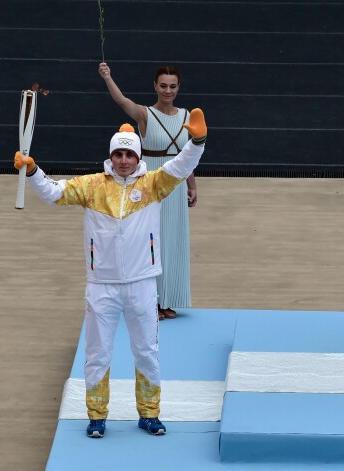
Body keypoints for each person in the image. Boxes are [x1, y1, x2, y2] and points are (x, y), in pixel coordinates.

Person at [13, 110, 207, 438]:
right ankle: (97, 417)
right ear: (111, 156)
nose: (124, 160)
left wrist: (197, 142)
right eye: (118, 154)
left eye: (130, 154)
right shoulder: (91, 186)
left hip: (142, 283)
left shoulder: (153, 184)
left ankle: (149, 414)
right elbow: (53, 193)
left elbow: (181, 166)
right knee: (97, 353)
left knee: (146, 350)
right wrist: (33, 172)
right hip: (101, 285)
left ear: (138, 156)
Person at [99, 62, 195, 320]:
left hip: (174, 188)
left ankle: (167, 300)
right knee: (150, 243)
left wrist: (192, 185)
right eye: (163, 85)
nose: (167, 91)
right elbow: (121, 101)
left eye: (172, 86)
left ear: (178, 87)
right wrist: (108, 77)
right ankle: (149, 302)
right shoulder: (145, 115)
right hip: (150, 186)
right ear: (155, 86)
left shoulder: (187, 117)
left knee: (173, 241)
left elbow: (187, 156)